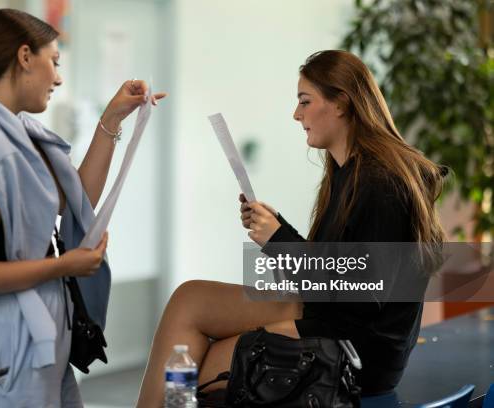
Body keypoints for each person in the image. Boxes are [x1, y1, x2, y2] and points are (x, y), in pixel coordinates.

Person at [136, 50, 445, 407]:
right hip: (333, 318)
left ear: (341, 103)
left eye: (305, 101)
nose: (297, 115)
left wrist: (279, 240)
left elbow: (362, 294)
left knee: (203, 371)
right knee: (189, 298)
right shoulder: (349, 174)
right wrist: (278, 230)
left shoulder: (380, 182)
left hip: (357, 350)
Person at [0, 9, 165, 407]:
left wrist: (111, 118)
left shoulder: (18, 133)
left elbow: (75, 199)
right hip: (4, 354)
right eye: (54, 62)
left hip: (39, 341)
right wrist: (66, 265)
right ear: (25, 57)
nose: (58, 77)